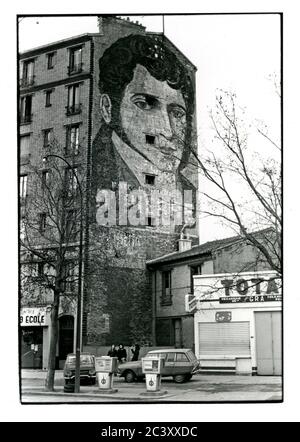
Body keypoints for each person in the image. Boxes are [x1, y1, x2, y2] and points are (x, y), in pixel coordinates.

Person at [91, 34, 197, 228]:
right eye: (145, 104)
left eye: (177, 113)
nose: (167, 129)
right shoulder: (93, 174)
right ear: (108, 108)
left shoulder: (190, 193)